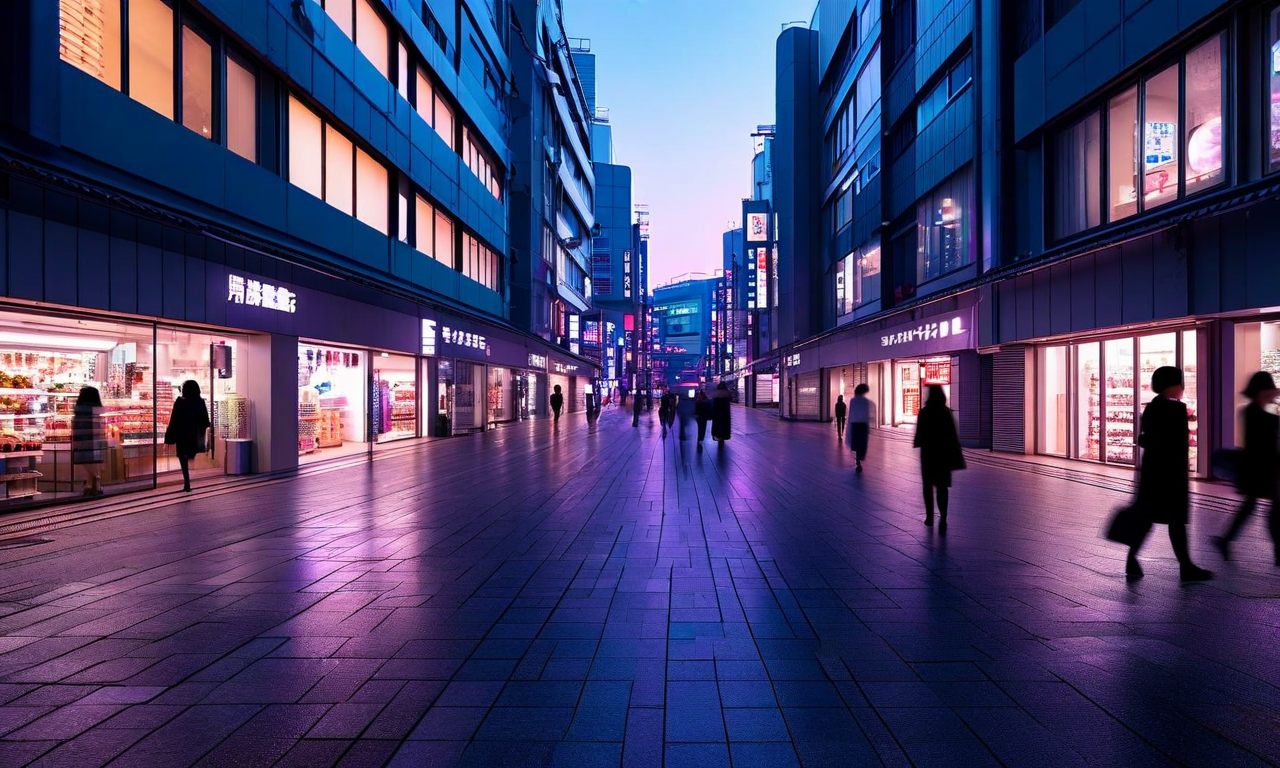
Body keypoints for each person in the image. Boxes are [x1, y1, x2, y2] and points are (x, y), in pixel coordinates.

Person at [1128, 366, 1212, 581]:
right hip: (1171, 473)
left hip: (1152, 472)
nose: (1182, 388)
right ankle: (1186, 567)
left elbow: (1145, 439)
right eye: (1180, 383)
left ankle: (1133, 559)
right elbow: (1177, 445)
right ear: (1173, 385)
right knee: (1175, 520)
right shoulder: (1176, 410)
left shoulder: (1151, 407)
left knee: (1149, 517)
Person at [1213, 371, 1280, 565]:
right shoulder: (1259, 415)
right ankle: (1278, 551)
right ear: (1262, 391)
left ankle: (1225, 540)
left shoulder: (1250, 410)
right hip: (1262, 468)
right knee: (1274, 509)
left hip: (1256, 467)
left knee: (1251, 506)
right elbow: (1267, 439)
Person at [913, 385, 963, 532]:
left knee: (927, 485)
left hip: (928, 453)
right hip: (944, 453)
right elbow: (953, 435)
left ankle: (929, 517)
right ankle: (944, 517)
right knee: (942, 485)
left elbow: (919, 435)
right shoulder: (945, 412)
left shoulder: (924, 412)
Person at [164, 380, 211, 493]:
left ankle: (187, 482)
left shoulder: (180, 402)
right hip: (193, 434)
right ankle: (189, 474)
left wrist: (169, 436)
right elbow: (205, 421)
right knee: (190, 454)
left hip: (181, 434)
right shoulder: (199, 402)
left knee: (182, 456)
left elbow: (173, 419)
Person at [71, 386, 106, 497]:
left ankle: (90, 485)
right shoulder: (97, 411)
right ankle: (95, 482)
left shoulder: (79, 411)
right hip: (95, 442)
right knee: (94, 465)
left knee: (87, 465)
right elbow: (100, 429)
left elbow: (75, 428)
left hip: (82, 442)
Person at [848, 383, 873, 473]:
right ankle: (858, 459)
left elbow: (851, 414)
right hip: (863, 425)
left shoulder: (853, 401)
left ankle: (857, 459)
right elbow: (867, 414)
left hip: (855, 425)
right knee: (862, 444)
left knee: (857, 443)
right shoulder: (865, 402)